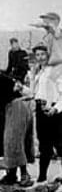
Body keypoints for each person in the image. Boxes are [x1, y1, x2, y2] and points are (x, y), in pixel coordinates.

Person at [30, 43, 62, 183]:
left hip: (53, 109)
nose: (40, 57)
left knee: (59, 144)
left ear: (48, 54)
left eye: (43, 54)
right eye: (37, 55)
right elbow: (35, 93)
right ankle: (42, 177)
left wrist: (56, 108)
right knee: (44, 145)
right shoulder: (39, 71)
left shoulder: (55, 70)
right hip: (40, 109)